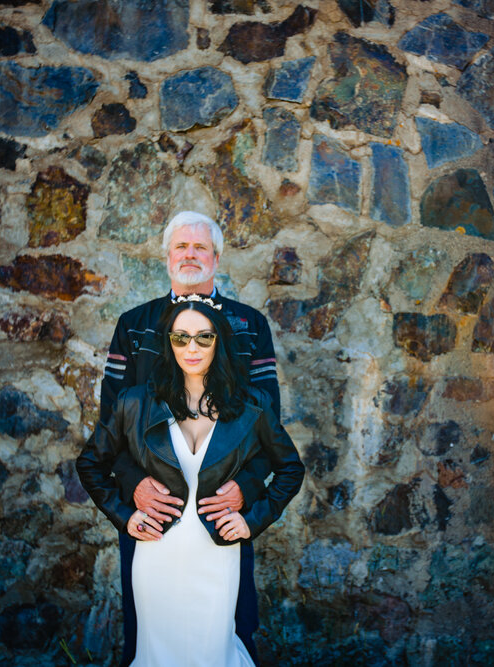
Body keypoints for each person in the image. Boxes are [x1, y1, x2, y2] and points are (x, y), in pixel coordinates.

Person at [77, 296, 304, 666]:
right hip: (156, 555)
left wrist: (250, 522)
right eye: (180, 338)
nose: (192, 348)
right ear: (168, 342)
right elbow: (90, 464)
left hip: (216, 556)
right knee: (158, 655)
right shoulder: (135, 402)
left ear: (220, 342)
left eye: (204, 337)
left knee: (213, 652)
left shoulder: (252, 404)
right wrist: (125, 516)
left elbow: (290, 469)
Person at [96, 211, 281, 665]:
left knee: (231, 625)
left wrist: (249, 487)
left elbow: (269, 426)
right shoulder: (134, 325)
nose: (190, 255)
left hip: (223, 507)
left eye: (200, 248)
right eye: (181, 247)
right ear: (167, 258)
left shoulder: (249, 326)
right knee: (149, 630)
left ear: (216, 258)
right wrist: (132, 484)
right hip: (153, 509)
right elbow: (110, 426)